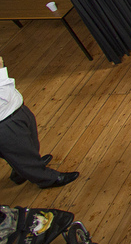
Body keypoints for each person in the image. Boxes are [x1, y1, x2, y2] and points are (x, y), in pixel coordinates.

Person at [0, 56, 78, 189]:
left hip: (17, 112)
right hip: (6, 123)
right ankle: (47, 179)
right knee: (20, 151)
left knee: (27, 145)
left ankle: (22, 171)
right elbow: (4, 94)